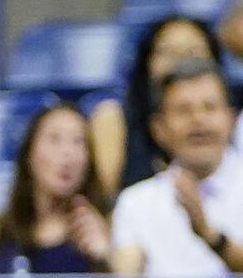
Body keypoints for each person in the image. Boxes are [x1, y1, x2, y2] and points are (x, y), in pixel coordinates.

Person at [0, 102, 130, 278]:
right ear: (29, 155)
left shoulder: (108, 227)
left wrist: (103, 259)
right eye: (54, 139)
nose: (67, 153)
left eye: (78, 142)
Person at [110, 58, 243, 278]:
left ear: (231, 120)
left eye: (209, 107)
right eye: (183, 110)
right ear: (158, 129)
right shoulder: (135, 203)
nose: (198, 120)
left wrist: (211, 236)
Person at [88, 15, 223, 195]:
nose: (181, 61)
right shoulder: (114, 119)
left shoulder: (235, 123)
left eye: (193, 52)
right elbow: (99, 203)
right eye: (168, 52)